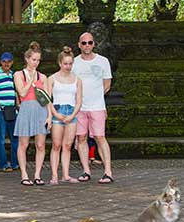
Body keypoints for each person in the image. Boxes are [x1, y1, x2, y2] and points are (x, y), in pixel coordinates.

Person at [72, 32, 114, 184]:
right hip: (80, 107)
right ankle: (86, 170)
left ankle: (108, 171)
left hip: (97, 106)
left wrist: (95, 95)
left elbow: (107, 84)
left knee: (100, 137)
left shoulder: (103, 61)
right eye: (84, 43)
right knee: (81, 137)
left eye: (90, 42)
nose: (87, 45)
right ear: (79, 45)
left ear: (94, 44)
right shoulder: (74, 63)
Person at [14, 42, 51, 186]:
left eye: (38, 60)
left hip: (40, 110)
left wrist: (49, 116)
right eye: (34, 59)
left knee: (40, 145)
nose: (36, 63)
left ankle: (37, 174)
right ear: (27, 59)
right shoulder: (18, 74)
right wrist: (31, 79)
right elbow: (22, 92)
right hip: (26, 109)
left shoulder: (43, 77)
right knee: (23, 144)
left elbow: (47, 98)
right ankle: (24, 174)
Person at [47, 47, 82, 185]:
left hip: (71, 112)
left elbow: (79, 100)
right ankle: (54, 175)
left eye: (70, 63)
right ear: (60, 63)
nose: (68, 66)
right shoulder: (52, 78)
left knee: (67, 145)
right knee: (56, 145)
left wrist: (72, 114)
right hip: (57, 110)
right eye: (65, 63)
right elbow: (47, 99)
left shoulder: (77, 80)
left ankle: (66, 175)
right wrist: (55, 114)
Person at [0, 52, 19, 173]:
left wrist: (18, 106)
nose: (6, 63)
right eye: (4, 61)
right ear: (0, 62)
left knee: (15, 138)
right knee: (0, 139)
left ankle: (15, 162)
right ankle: (3, 164)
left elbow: (16, 92)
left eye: (9, 61)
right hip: (0, 110)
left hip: (13, 110)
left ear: (12, 62)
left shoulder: (13, 75)